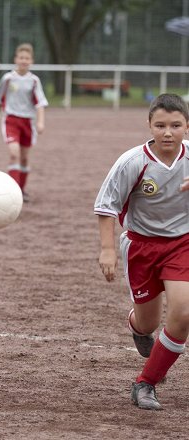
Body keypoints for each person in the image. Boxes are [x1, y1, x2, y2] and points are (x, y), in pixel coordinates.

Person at [95, 93, 189, 411]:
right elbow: (106, 207)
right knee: (149, 323)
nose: (167, 132)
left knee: (183, 313)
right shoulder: (133, 162)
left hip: (182, 244)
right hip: (141, 246)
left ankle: (145, 384)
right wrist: (108, 250)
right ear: (149, 125)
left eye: (175, 125)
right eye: (160, 125)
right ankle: (137, 326)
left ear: (186, 127)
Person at [0, 43, 47, 203]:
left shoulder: (34, 81)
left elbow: (40, 103)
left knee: (24, 159)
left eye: (27, 58)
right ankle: (13, 193)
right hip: (11, 120)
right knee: (14, 154)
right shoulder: (8, 78)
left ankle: (21, 190)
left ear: (31, 61)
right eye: (21, 57)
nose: (24, 60)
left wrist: (40, 122)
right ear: (16, 59)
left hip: (28, 122)